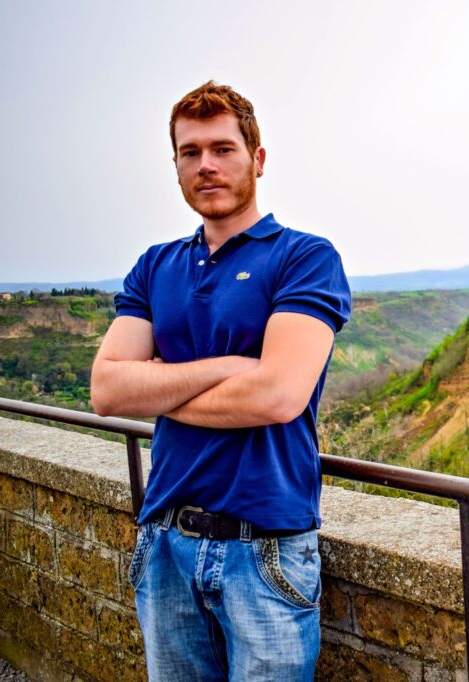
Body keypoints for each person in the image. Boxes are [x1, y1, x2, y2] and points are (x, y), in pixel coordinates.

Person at [90, 81, 350, 681]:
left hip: (265, 551)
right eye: (190, 152)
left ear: (256, 159)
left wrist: (156, 383)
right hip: (165, 543)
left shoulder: (304, 257)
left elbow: (279, 395)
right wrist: (233, 369)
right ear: (176, 164)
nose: (206, 165)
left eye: (223, 148)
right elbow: (106, 391)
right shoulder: (156, 265)